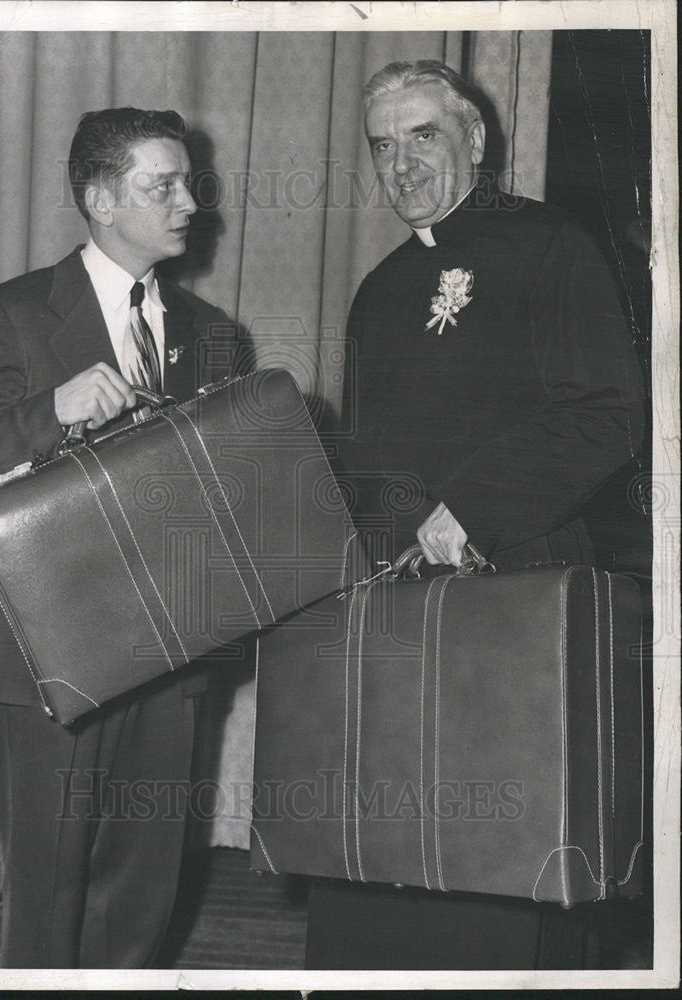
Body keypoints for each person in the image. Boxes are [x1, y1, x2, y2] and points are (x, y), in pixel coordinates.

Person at [305, 61, 646, 970]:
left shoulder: (547, 244)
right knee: (383, 857)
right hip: (398, 618)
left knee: (501, 868)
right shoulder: (376, 291)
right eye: (383, 144)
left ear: (475, 142)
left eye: (423, 135)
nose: (402, 162)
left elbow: (606, 415)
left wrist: (472, 508)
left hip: (515, 595)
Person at [0, 108, 244, 968]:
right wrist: (48, 409)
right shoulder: (11, 314)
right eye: (161, 185)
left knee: (143, 895)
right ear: (101, 199)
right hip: (53, 658)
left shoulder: (216, 338)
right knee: (49, 893)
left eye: (187, 182)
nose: (187, 202)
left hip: (172, 656)